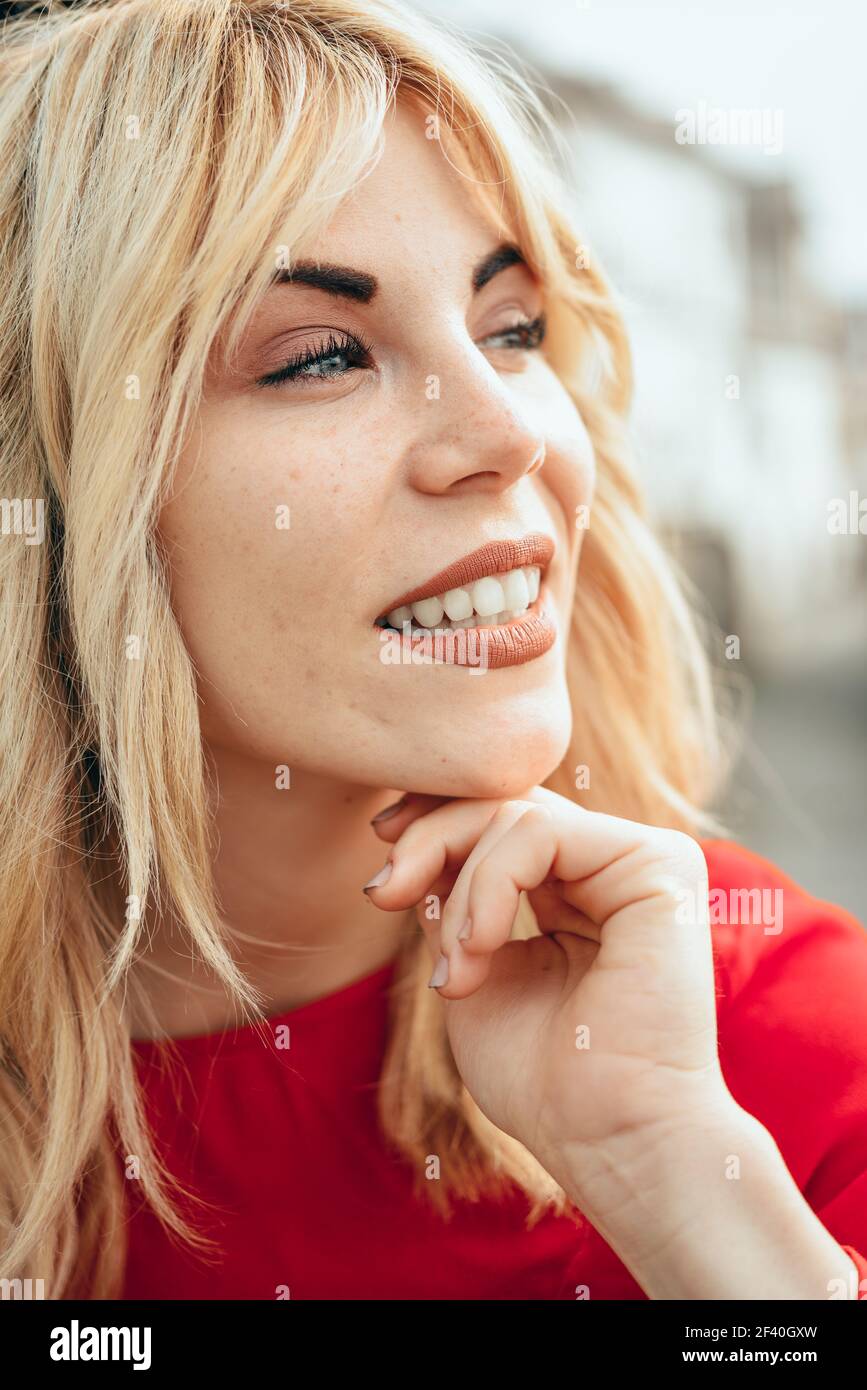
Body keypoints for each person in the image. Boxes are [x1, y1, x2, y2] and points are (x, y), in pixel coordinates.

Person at [1, 0, 865, 1301]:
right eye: (323, 354)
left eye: (511, 328)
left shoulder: (782, 1048)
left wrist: (684, 1191)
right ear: (58, 500)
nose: (508, 432)